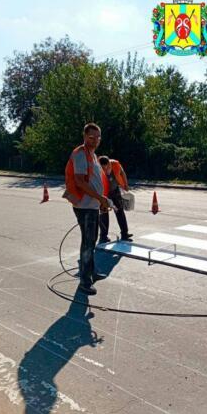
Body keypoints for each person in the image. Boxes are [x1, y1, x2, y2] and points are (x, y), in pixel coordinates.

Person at [63, 123, 110, 295]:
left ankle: (91, 272)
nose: (95, 140)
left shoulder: (93, 154)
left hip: (93, 205)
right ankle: (84, 280)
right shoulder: (80, 154)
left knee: (91, 240)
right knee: (88, 242)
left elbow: (96, 180)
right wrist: (100, 198)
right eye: (92, 137)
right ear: (84, 136)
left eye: (98, 137)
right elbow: (80, 182)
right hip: (84, 205)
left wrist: (102, 202)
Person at [98, 156, 133, 243]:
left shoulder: (115, 164)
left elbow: (122, 173)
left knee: (120, 212)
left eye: (107, 167)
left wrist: (126, 184)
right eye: (103, 169)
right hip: (103, 194)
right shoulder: (95, 168)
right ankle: (103, 236)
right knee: (103, 214)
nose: (106, 170)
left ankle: (125, 234)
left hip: (115, 191)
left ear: (109, 163)